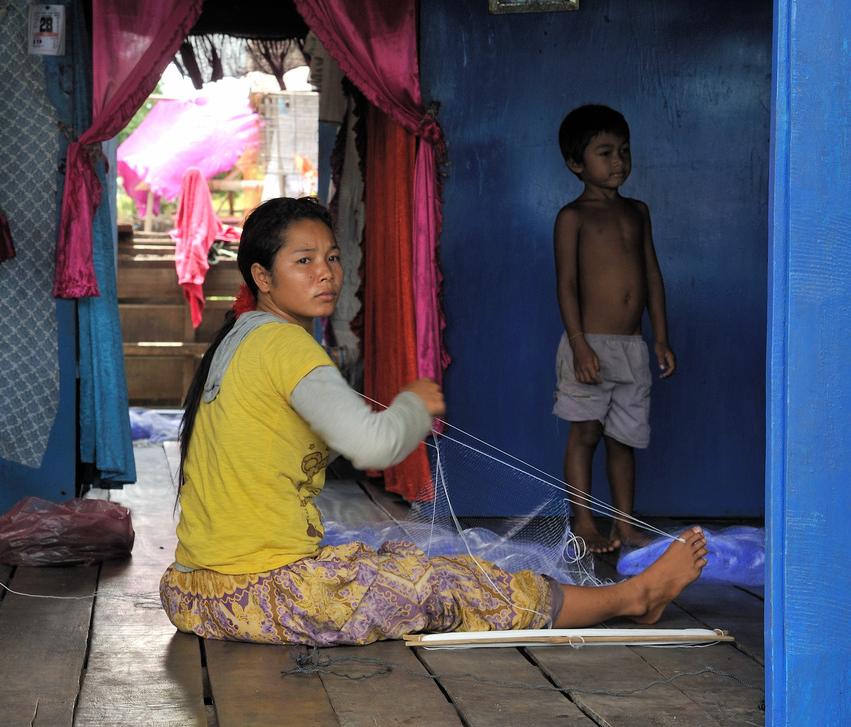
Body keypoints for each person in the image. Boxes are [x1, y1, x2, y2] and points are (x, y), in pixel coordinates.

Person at [159, 195, 705, 647]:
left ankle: (626, 596)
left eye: (332, 257)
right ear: (263, 276)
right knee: (451, 583)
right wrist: (415, 404)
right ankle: (634, 597)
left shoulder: (241, 337)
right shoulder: (284, 345)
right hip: (262, 594)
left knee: (409, 563)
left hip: (194, 591)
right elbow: (373, 446)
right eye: (303, 261)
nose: (325, 274)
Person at [552, 105, 677, 555]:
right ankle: (584, 521)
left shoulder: (637, 211)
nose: (619, 161)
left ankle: (624, 525)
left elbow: (653, 277)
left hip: (632, 347)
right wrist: (581, 345)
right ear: (576, 163)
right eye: (605, 152)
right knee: (585, 434)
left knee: (624, 440)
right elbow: (565, 284)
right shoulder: (573, 217)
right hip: (590, 347)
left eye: (624, 150)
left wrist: (659, 337)